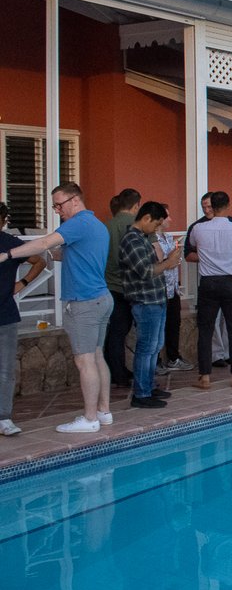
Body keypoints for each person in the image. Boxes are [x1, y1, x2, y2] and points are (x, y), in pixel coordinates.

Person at [2, 182, 113, 433]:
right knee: (96, 356)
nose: (57, 210)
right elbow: (75, 253)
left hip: (84, 301)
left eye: (59, 205)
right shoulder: (96, 225)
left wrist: (7, 255)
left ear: (75, 200)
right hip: (101, 297)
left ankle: (89, 418)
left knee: (84, 361)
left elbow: (43, 244)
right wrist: (62, 254)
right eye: (54, 206)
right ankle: (104, 412)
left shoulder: (78, 223)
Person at [118, 201, 180, 408]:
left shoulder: (143, 239)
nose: (157, 229)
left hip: (156, 298)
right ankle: (141, 393)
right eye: (156, 224)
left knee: (155, 346)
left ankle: (149, 386)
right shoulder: (132, 241)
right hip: (145, 301)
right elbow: (145, 271)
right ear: (146, 218)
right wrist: (169, 263)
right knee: (146, 347)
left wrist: (169, 260)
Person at [189, 191, 232, 389]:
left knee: (205, 330)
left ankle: (205, 376)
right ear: (228, 205)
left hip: (208, 282)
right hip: (231, 281)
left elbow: (193, 247)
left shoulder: (198, 229)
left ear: (211, 207)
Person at [0, 202, 47, 436]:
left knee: (5, 370)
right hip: (6, 314)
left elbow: (40, 260)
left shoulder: (10, 244)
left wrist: (22, 283)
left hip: (5, 315)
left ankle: (3, 418)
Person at [102, 187, 140, 386]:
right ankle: (119, 374)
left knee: (116, 331)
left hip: (111, 285)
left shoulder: (106, 227)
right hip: (132, 286)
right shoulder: (138, 226)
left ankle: (116, 370)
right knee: (122, 331)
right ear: (136, 205)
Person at [156, 207, 192, 372]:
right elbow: (162, 261)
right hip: (159, 289)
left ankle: (173, 357)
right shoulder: (152, 240)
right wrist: (169, 258)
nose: (170, 219)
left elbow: (175, 259)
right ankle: (155, 361)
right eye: (167, 216)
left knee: (173, 323)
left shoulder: (169, 238)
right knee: (157, 326)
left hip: (173, 288)